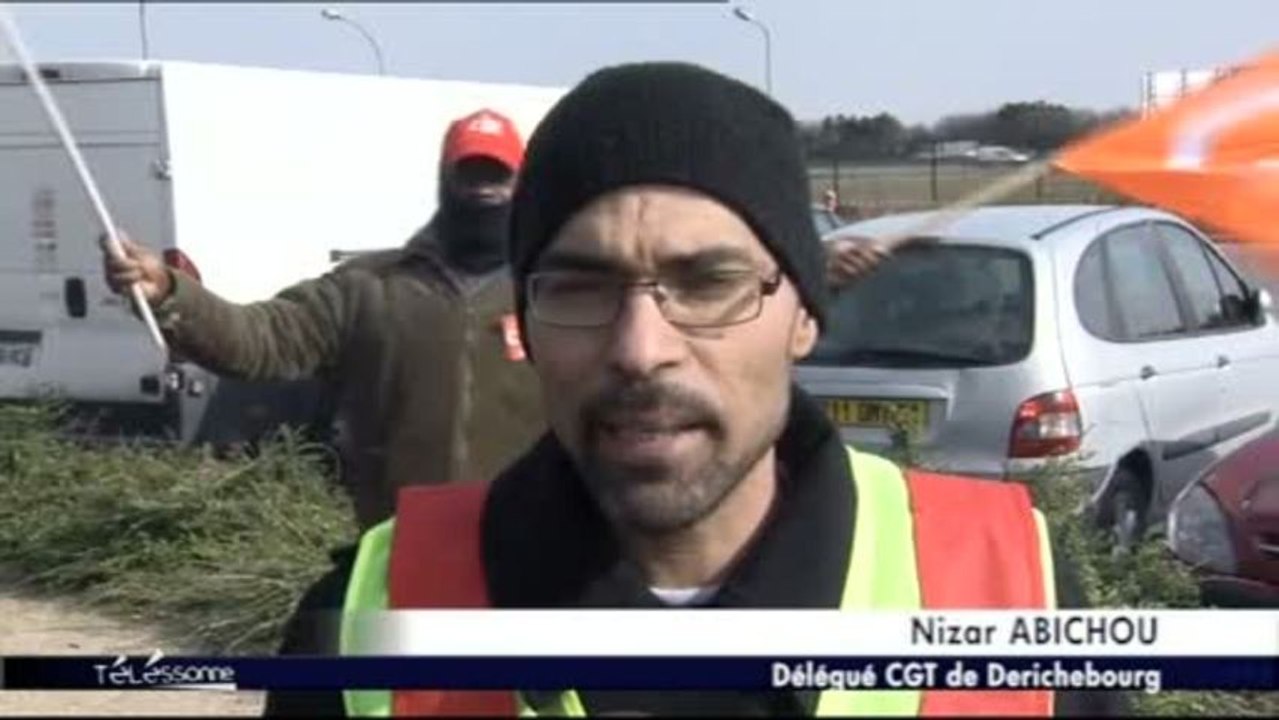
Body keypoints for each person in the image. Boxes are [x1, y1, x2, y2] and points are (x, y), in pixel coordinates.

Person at [267, 63, 1118, 717]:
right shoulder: (362, 617)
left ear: (803, 316)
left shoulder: (1015, 593)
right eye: (579, 286)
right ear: (524, 320)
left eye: (709, 282)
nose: (642, 351)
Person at [102, 108, 545, 532]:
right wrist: (169, 291)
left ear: (522, 182)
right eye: (470, 173)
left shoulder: (552, 292)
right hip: (401, 544)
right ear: (445, 180)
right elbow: (259, 340)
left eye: (497, 174)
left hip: (526, 547)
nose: (483, 189)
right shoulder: (367, 288)